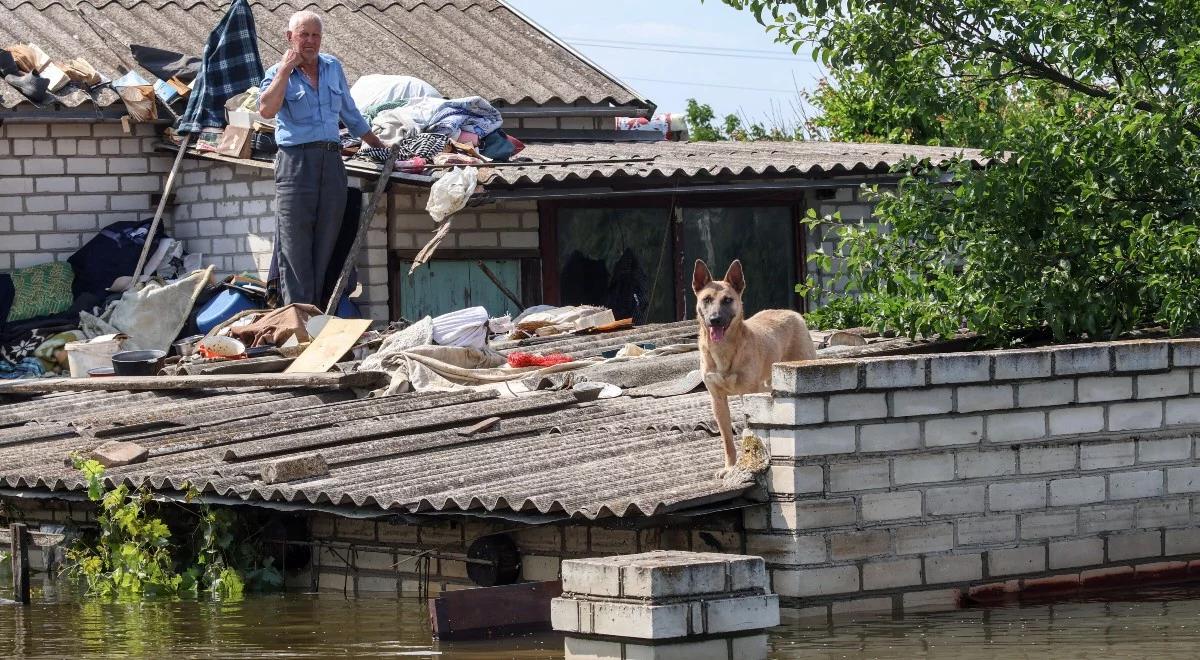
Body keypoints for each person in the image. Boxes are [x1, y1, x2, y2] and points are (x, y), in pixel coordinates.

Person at [258, 10, 386, 307]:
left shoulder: (332, 67)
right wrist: (284, 71)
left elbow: (350, 113)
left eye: (315, 35)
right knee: (295, 244)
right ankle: (297, 317)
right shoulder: (277, 72)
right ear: (290, 38)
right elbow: (266, 110)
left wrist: (378, 144)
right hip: (295, 163)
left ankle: (318, 313)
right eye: (304, 35)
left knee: (328, 239)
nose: (310, 41)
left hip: (331, 161)